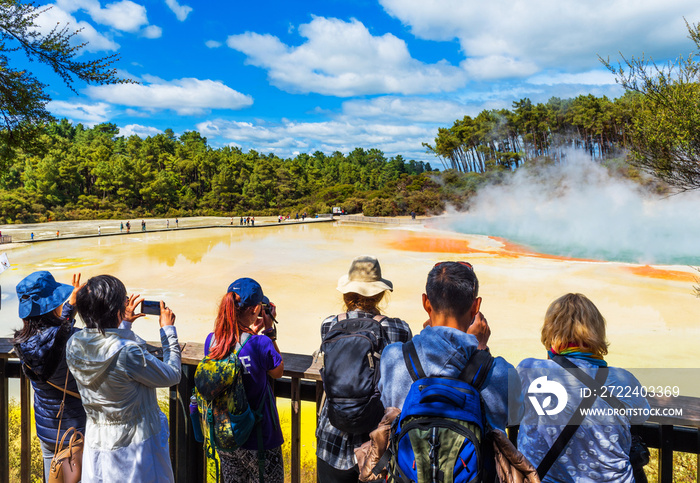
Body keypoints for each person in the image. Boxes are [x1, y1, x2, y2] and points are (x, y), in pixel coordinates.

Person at [516, 293, 649, 483]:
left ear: (551, 333)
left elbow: (507, 408)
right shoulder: (624, 380)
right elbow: (641, 415)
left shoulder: (529, 370)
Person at [66, 275, 181, 482]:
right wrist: (168, 331)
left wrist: (123, 325)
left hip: (98, 440)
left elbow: (105, 347)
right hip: (135, 447)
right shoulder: (128, 353)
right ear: (116, 310)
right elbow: (172, 375)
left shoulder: (74, 344)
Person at [379, 261, 512, 429]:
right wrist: (481, 351)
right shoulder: (502, 372)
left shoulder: (393, 357)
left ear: (426, 303)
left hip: (410, 455)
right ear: (476, 307)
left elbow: (388, 406)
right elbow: (511, 421)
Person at [316, 256, 412, 482]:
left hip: (332, 436)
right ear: (380, 293)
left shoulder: (329, 324)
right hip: (375, 443)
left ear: (346, 293)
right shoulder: (397, 328)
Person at [204, 277, 284, 482]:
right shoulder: (261, 343)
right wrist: (269, 331)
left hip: (227, 435)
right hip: (260, 438)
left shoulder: (212, 341)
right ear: (256, 309)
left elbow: (238, 348)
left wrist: (252, 332)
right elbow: (277, 372)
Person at [12, 271, 87, 482]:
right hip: (77, 429)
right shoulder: (74, 339)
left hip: (48, 429)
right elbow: (61, 336)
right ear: (52, 305)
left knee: (53, 475)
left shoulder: (21, 343)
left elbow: (53, 336)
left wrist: (70, 308)